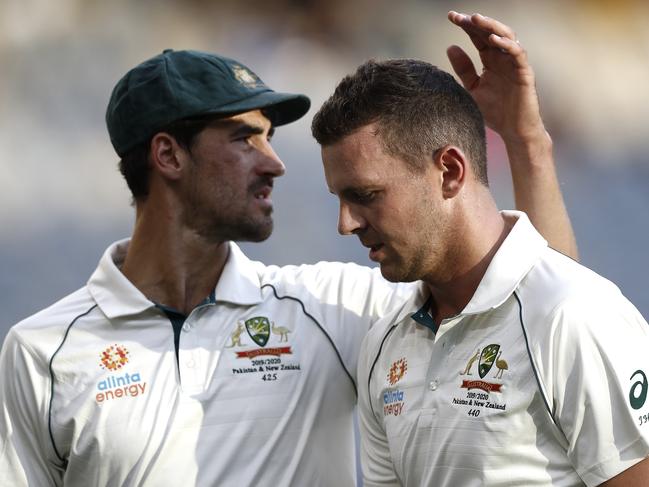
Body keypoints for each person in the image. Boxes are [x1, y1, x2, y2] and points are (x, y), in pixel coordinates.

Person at [0, 13, 576, 487]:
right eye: (244, 138)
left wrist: (526, 143)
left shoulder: (328, 308)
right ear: (169, 156)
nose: (274, 161)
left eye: (270, 138)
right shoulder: (42, 352)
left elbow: (547, 310)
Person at [312, 11, 649, 487]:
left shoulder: (575, 316)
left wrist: (528, 139)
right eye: (340, 199)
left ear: (450, 171)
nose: (346, 224)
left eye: (365, 196)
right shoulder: (384, 344)